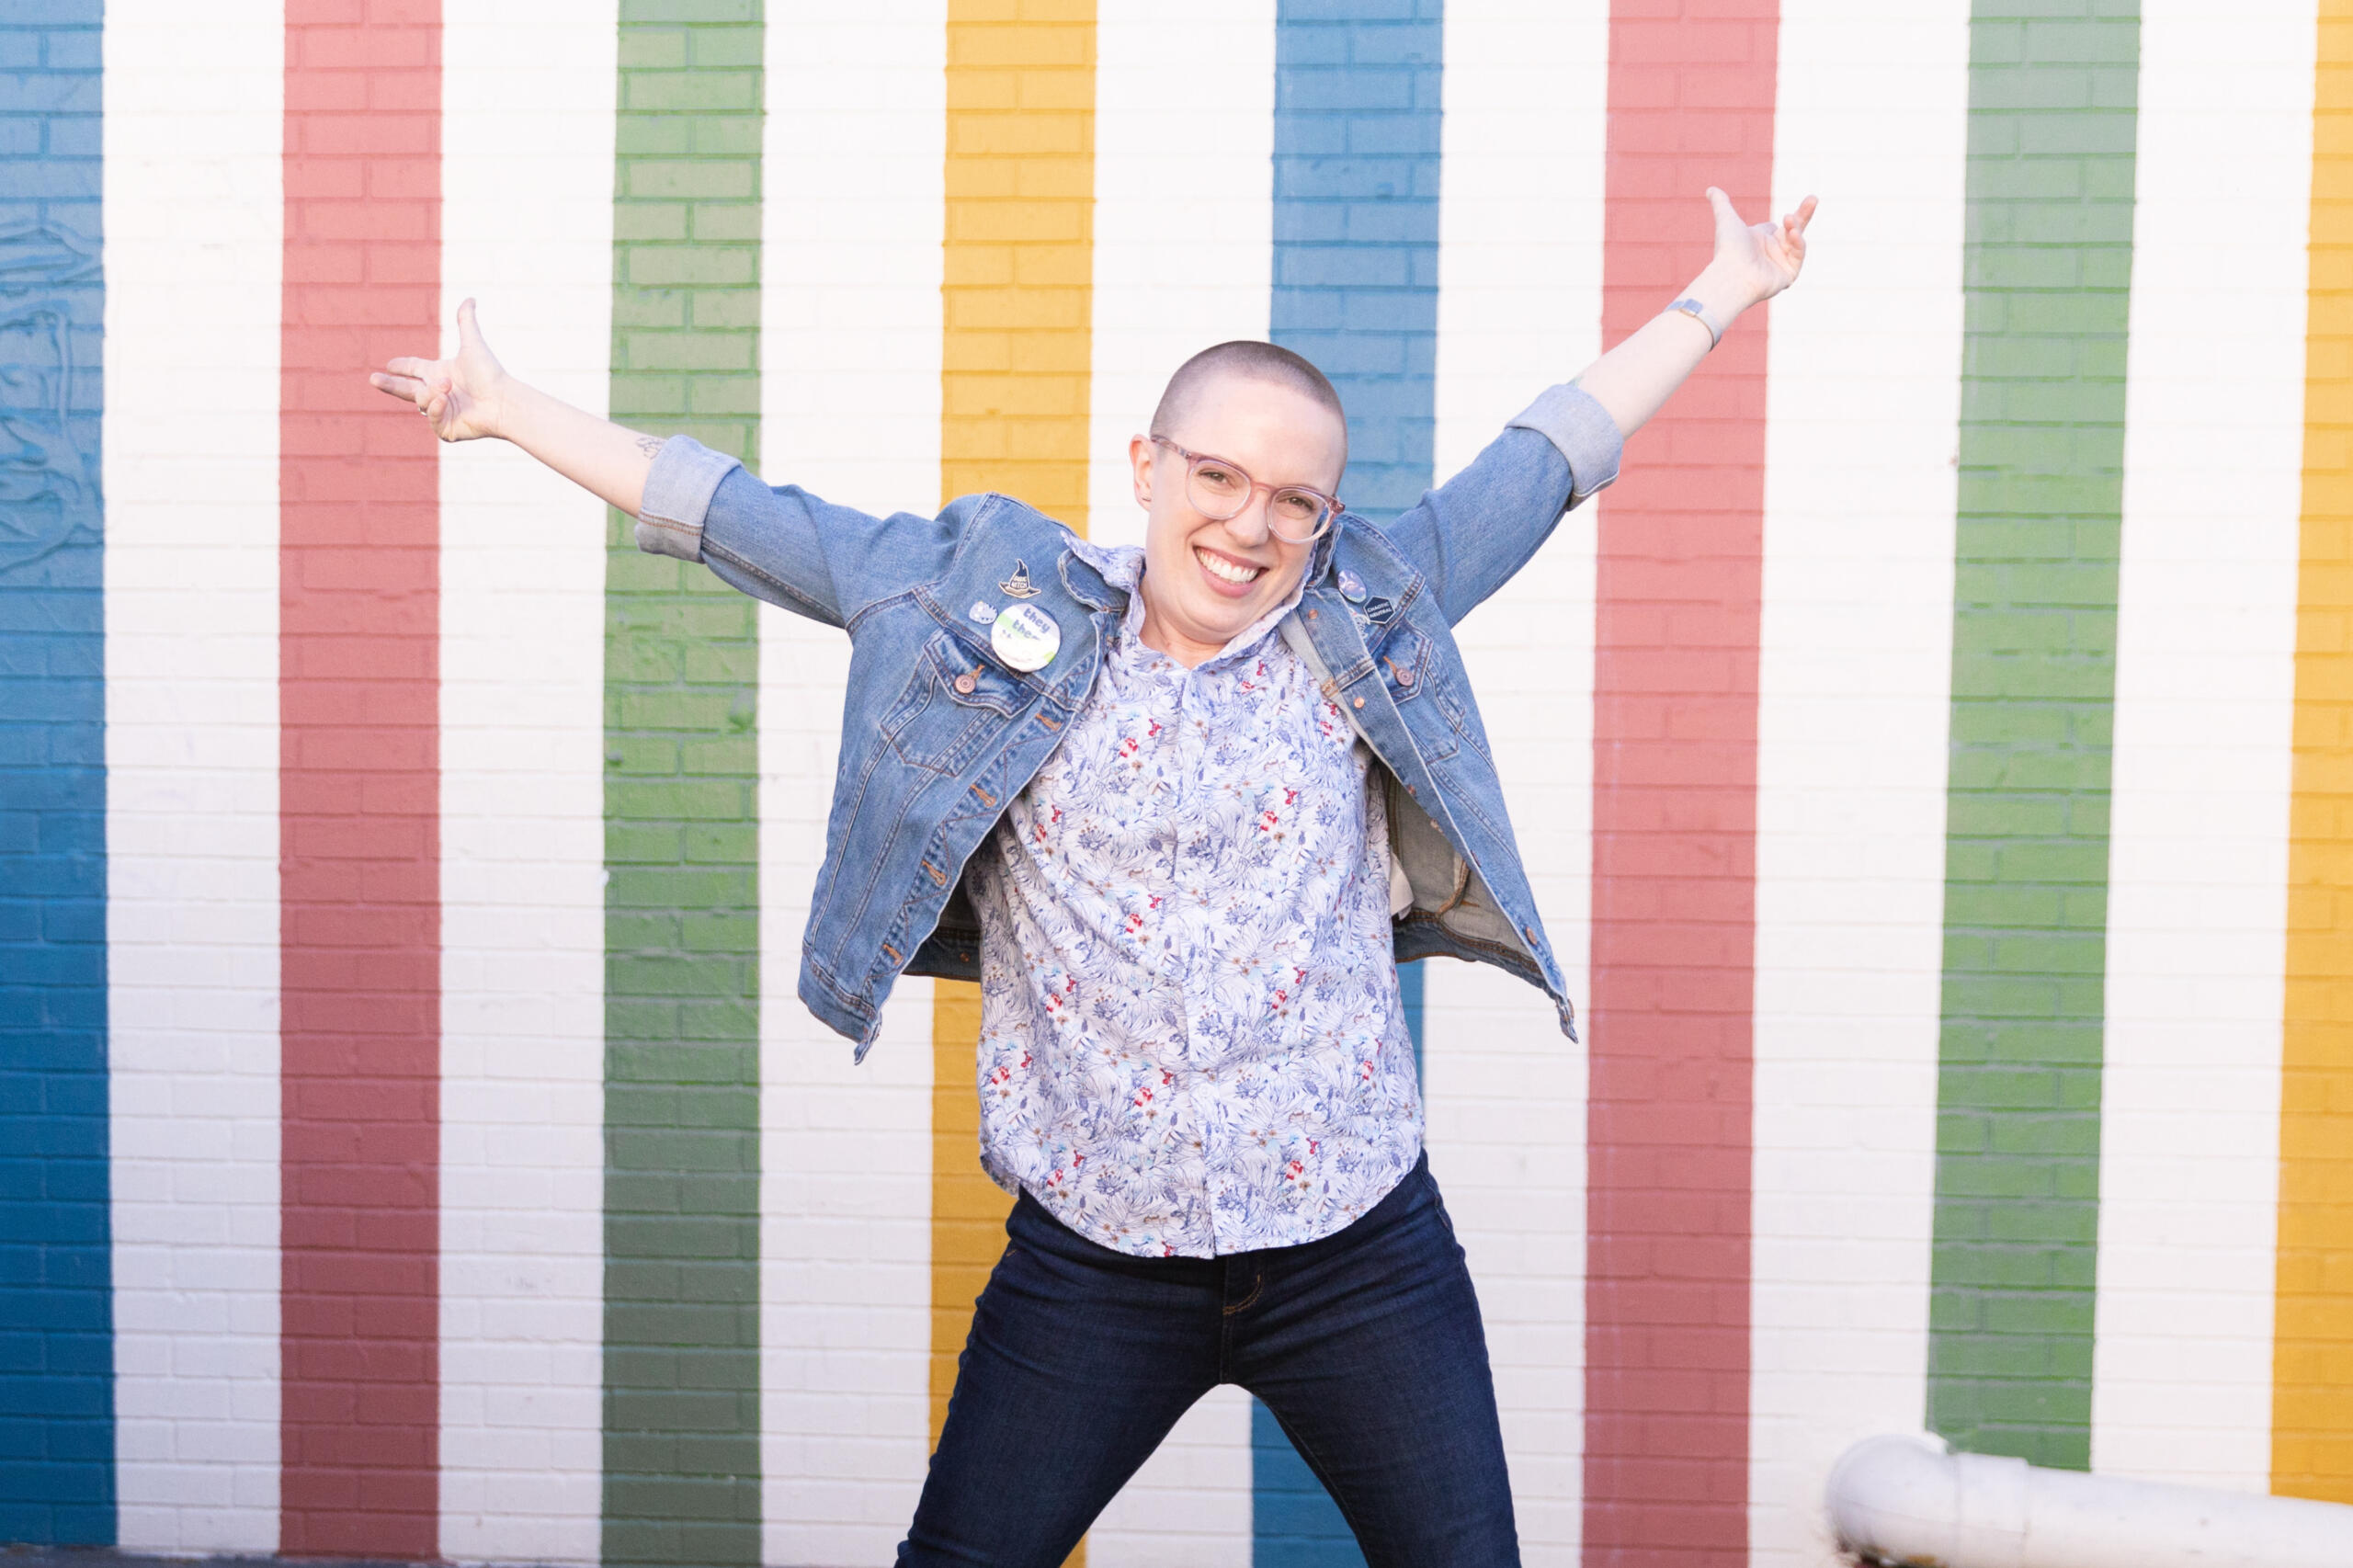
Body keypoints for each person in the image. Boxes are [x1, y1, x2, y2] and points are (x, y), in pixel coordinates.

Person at [374, 186, 1816, 1567]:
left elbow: (1548, 455)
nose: (1251, 527)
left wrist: (1728, 288)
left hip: (1357, 1256)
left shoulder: (1369, 609)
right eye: (1219, 477)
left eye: (1296, 501)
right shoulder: (987, 609)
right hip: (1095, 1265)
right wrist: (503, 410)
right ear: (1148, 467)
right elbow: (754, 518)